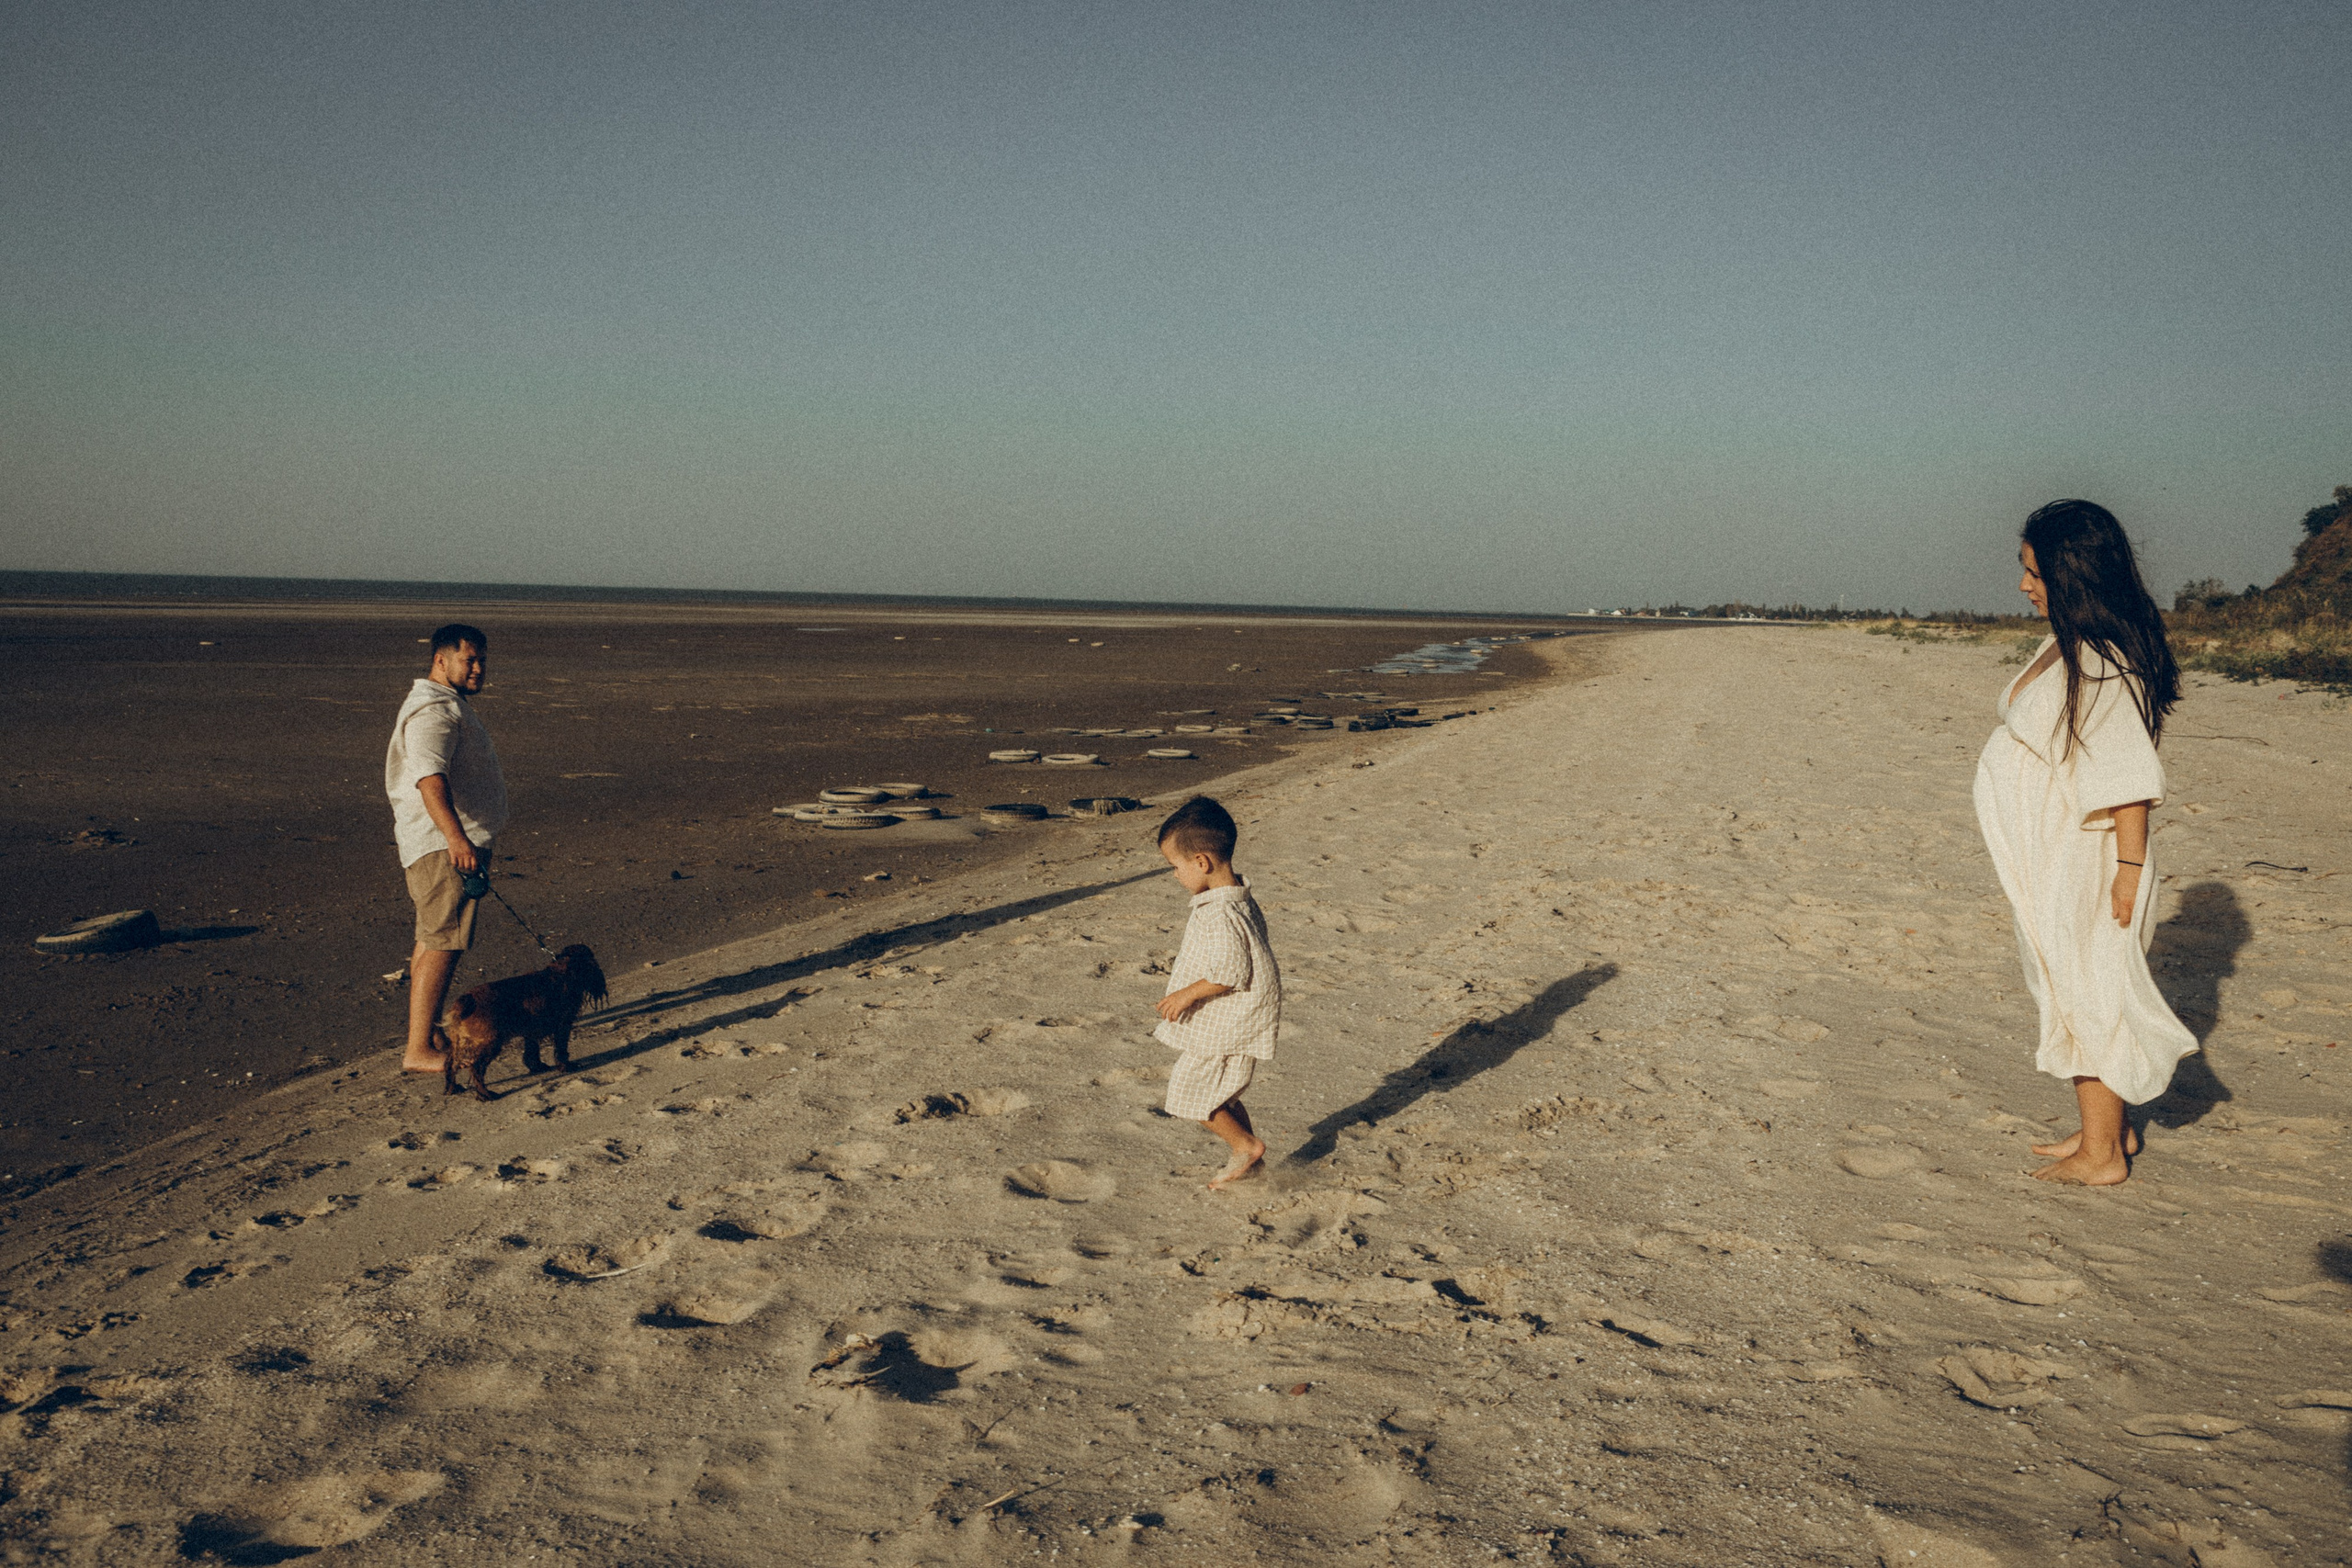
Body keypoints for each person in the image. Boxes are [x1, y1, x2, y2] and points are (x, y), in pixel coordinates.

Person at [1974, 501, 2195, 1185]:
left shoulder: (2102, 660)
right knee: (2068, 980)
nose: (2023, 584)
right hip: (2051, 856)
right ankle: (2108, 1130)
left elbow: (2127, 778)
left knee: (2089, 986)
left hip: (2088, 857)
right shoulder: (2068, 644)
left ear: (2072, 573)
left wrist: (2127, 870)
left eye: (2033, 570)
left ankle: (2102, 1157)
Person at [385, 624, 508, 1074]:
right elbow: (429, 780)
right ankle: (419, 1049)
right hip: (443, 846)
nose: (478, 669)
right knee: (443, 942)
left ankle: (430, 1033)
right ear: (441, 660)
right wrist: (457, 839)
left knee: (430, 939)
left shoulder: (446, 706)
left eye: (482, 661)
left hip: (446, 843)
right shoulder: (433, 712)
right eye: (468, 660)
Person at [1151, 795, 1283, 1189]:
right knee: (1221, 1095)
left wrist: (1186, 994)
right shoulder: (1237, 896)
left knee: (1190, 1096)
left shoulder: (1219, 914)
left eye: (1175, 867)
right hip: (1238, 1019)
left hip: (1226, 1023)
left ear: (1201, 862)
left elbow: (1228, 972)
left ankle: (1246, 1146)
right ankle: (1247, 1156)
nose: (1175, 875)